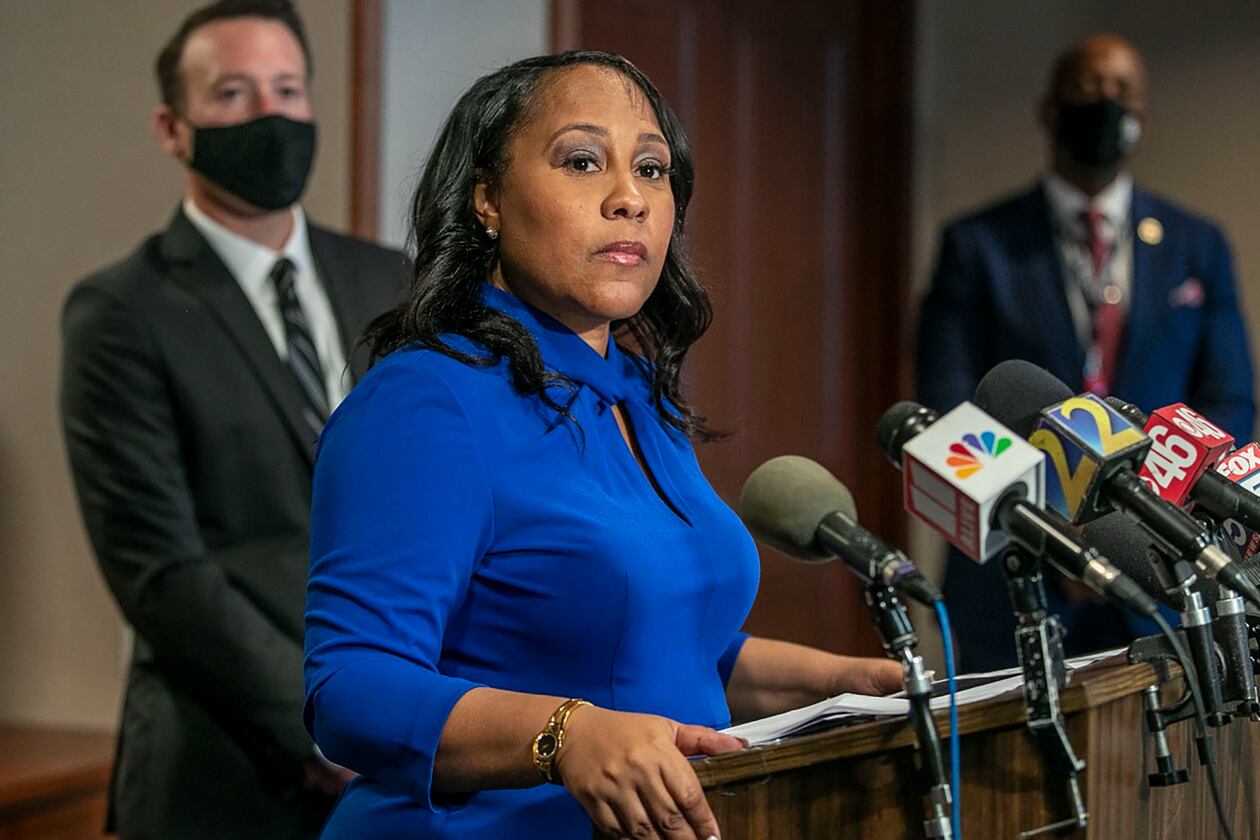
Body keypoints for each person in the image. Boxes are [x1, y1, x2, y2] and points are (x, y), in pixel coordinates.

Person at [303, 50, 903, 839]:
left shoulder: (635, 394)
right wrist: (566, 735)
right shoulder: (427, 401)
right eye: (582, 161)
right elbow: (350, 685)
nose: (630, 199)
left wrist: (846, 688)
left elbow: (672, 644)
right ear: (487, 198)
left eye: (652, 170)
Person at [59, 1, 409, 837]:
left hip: (403, 750)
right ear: (172, 128)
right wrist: (320, 722)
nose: (270, 117)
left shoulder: (392, 283)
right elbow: (162, 572)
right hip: (222, 770)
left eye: (289, 89)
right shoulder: (121, 311)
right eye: (233, 95)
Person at [916, 33, 1255, 671]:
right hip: (1015, 571)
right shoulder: (976, 245)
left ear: (1142, 121)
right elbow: (948, 411)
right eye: (1087, 90)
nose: (1102, 104)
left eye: (1120, 94)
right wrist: (1060, 535)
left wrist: (1133, 533)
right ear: (1049, 110)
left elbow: (1230, 400)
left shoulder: (1196, 246)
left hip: (1163, 565)